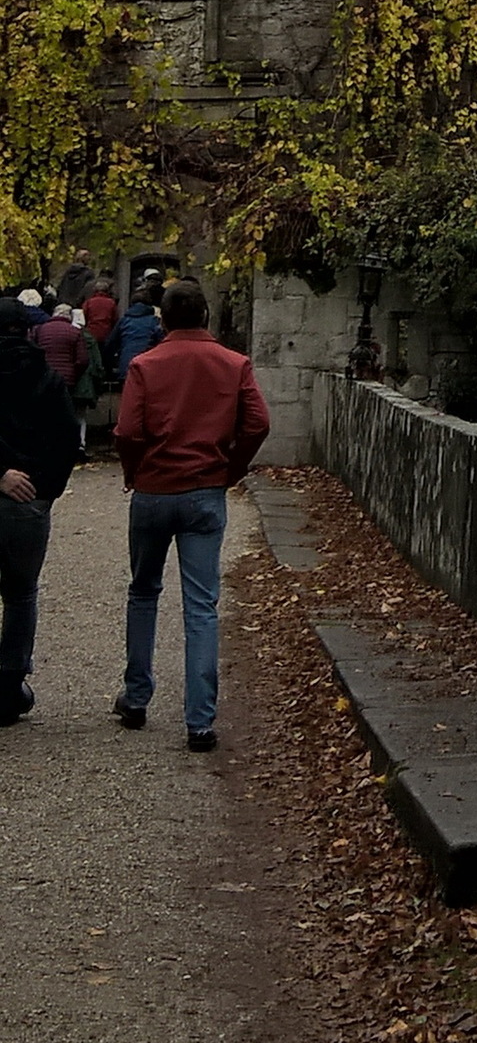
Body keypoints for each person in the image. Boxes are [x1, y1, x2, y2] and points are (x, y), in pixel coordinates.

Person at [113, 279, 269, 753]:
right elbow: (258, 422)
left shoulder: (145, 365)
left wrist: (134, 472)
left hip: (155, 489)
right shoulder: (233, 363)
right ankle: (199, 720)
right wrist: (231, 468)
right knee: (201, 605)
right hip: (204, 488)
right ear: (206, 316)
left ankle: (137, 697)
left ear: (163, 318)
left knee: (143, 591)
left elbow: (128, 430)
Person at [1, 289, 83, 725]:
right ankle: (9, 684)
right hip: (30, 501)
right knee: (20, 593)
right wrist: (46, 489)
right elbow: (68, 438)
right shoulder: (48, 379)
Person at [116, 283, 164, 381]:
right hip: (149, 368)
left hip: (126, 367)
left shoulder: (124, 321)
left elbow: (110, 345)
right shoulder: (154, 321)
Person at [82, 272, 119, 380]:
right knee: (106, 356)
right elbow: (115, 319)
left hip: (92, 332)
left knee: (93, 357)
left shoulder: (89, 302)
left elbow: (84, 316)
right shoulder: (111, 303)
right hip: (106, 333)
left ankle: (94, 376)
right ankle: (106, 377)